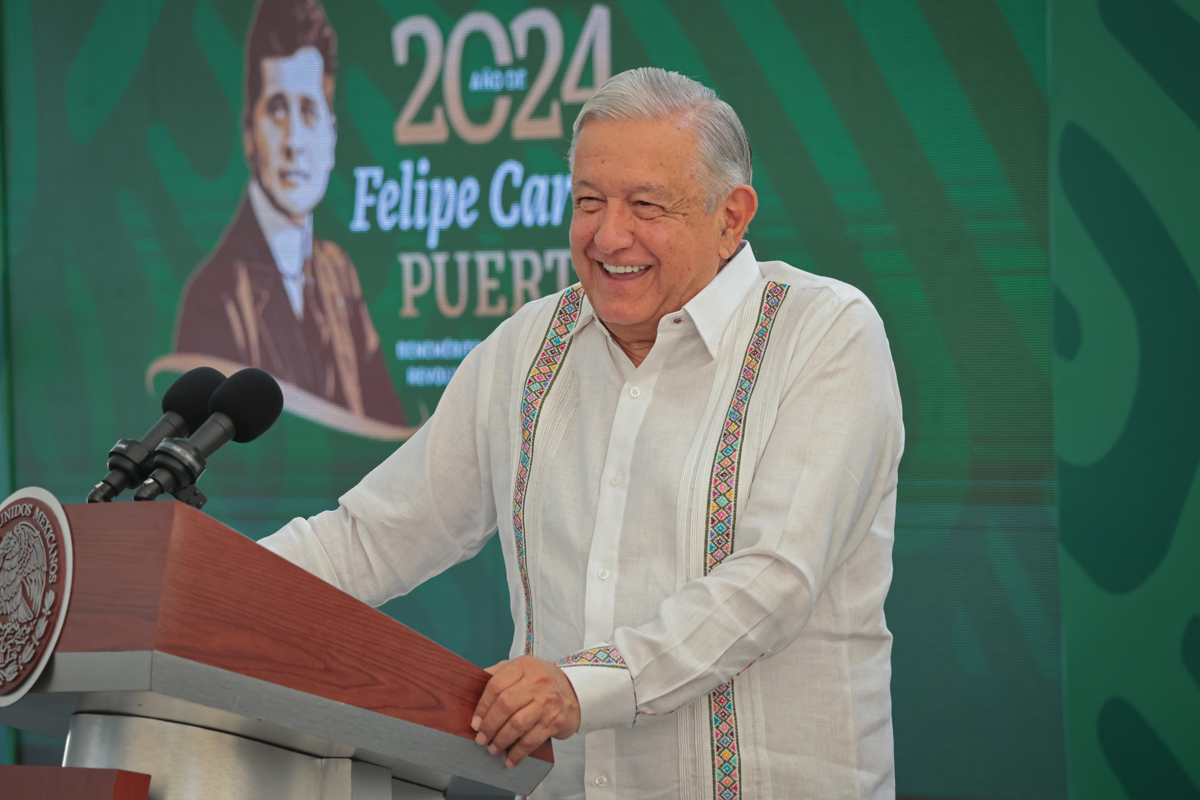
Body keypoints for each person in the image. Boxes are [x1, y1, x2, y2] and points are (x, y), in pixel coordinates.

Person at [261, 67, 904, 799]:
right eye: (588, 202)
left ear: (731, 217)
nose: (608, 234)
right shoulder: (526, 348)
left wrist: (583, 688)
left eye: (645, 205)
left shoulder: (824, 334)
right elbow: (371, 538)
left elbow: (774, 581)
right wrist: (201, 586)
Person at [174, 0, 405, 426]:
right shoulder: (215, 296)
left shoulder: (339, 273)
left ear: (332, 137)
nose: (294, 141)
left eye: (309, 110)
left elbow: (387, 429)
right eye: (277, 110)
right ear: (249, 133)